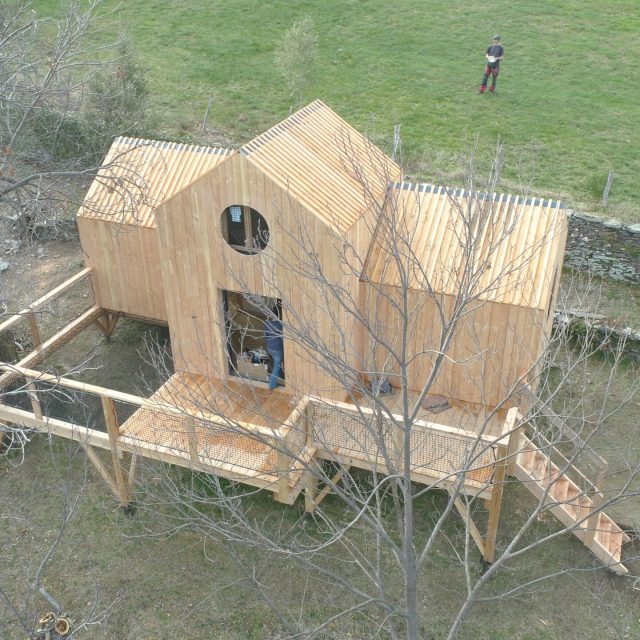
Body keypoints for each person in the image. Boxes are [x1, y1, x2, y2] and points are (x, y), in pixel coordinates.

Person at [264, 307, 284, 389]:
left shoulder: (266, 323)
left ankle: (279, 379)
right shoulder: (280, 324)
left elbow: (265, 336)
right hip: (277, 349)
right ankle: (272, 385)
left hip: (269, 348)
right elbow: (282, 338)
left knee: (277, 364)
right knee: (277, 365)